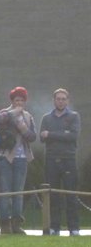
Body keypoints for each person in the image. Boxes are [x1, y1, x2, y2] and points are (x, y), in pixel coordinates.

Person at [0, 86, 36, 234]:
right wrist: (13, 114)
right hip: (5, 157)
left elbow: (32, 137)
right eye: (17, 100)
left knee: (18, 192)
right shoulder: (4, 113)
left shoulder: (28, 116)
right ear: (12, 100)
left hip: (22, 157)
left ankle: (17, 223)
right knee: (5, 191)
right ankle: (4, 223)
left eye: (22, 100)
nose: (19, 103)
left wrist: (22, 126)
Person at [39, 88, 81, 236]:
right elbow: (41, 137)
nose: (61, 101)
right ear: (54, 100)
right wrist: (62, 134)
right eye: (58, 99)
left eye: (64, 99)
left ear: (67, 101)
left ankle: (74, 228)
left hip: (68, 160)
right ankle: (54, 227)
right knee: (53, 196)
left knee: (71, 195)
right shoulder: (46, 118)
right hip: (51, 160)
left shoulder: (74, 116)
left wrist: (51, 134)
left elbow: (72, 137)